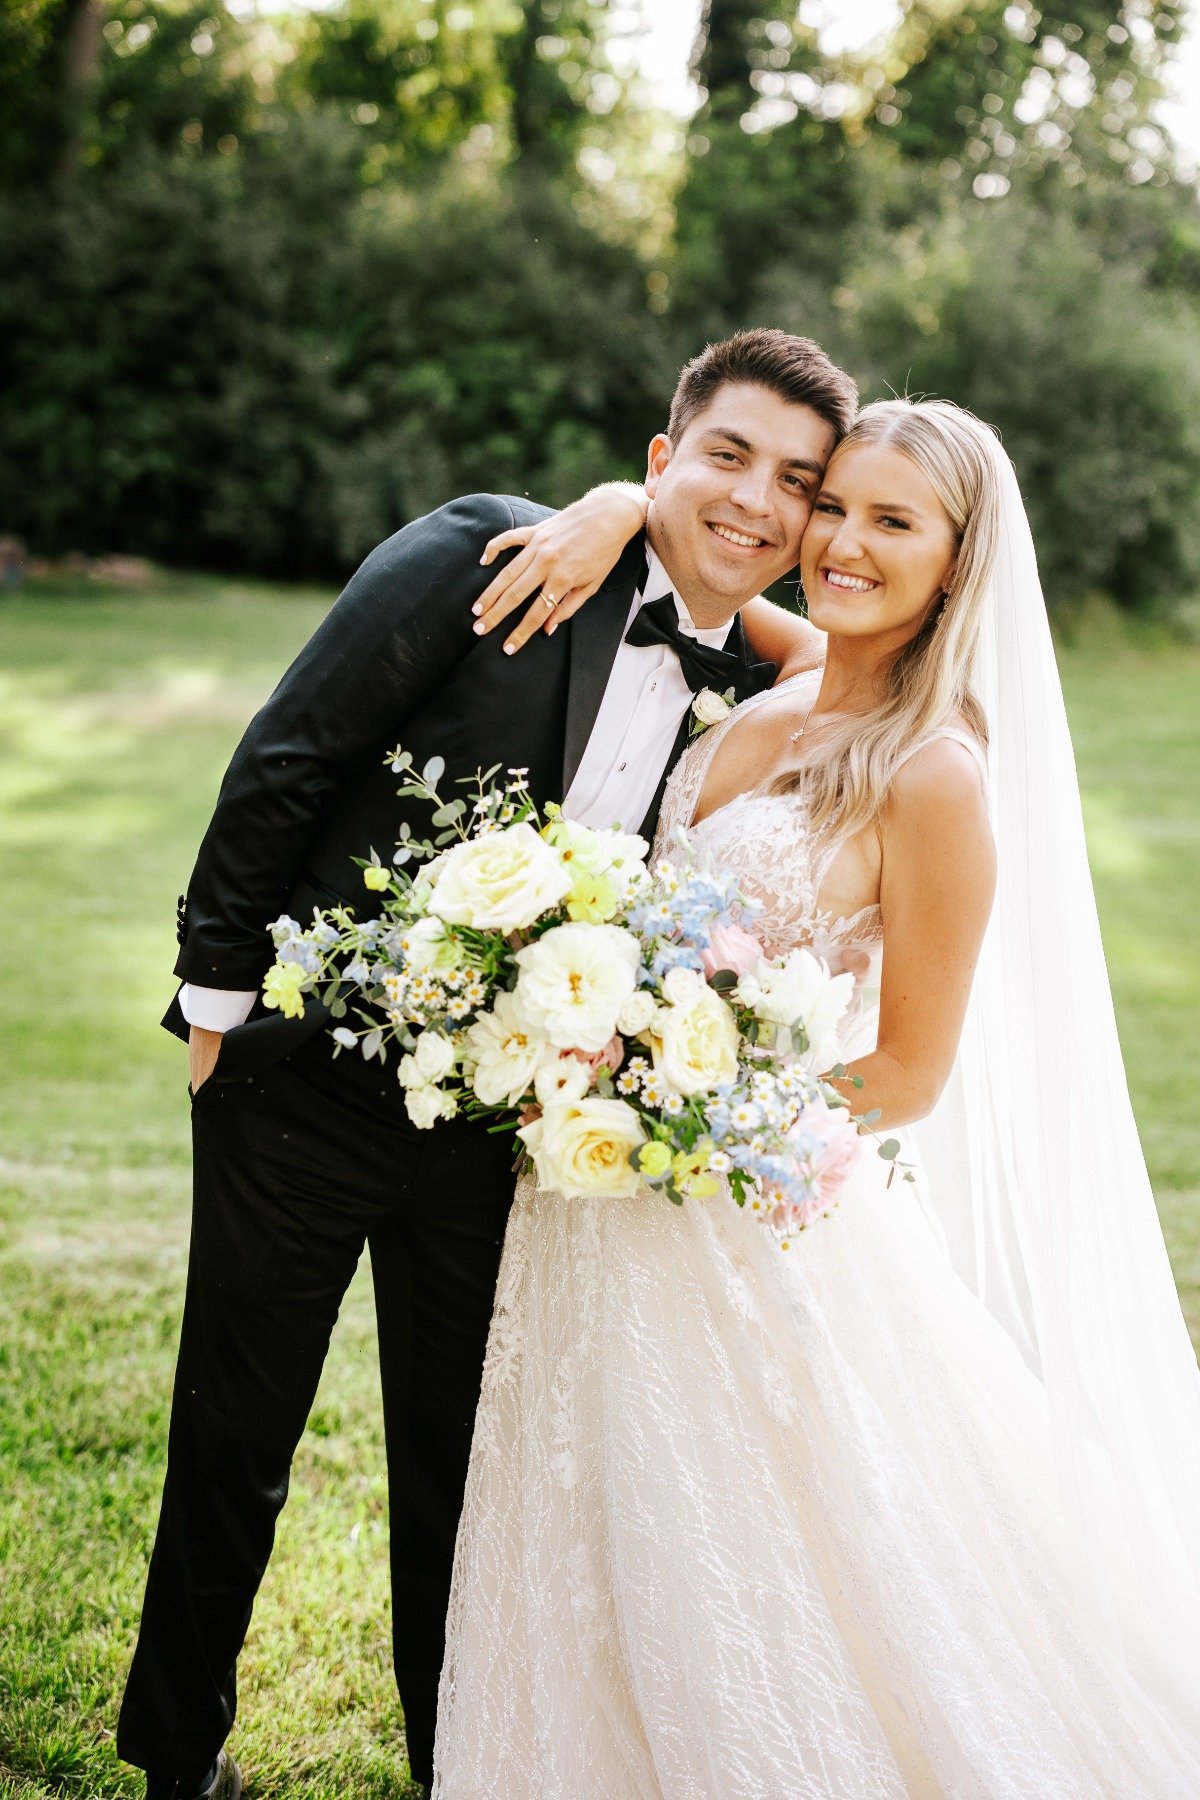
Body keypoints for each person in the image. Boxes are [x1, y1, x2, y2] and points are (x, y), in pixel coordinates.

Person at [115, 328, 859, 1800]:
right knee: (235, 1430)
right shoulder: (491, 558)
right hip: (304, 1086)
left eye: (799, 484)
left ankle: (456, 1756)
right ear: (663, 460)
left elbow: (864, 645)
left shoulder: (760, 688)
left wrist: (624, 515)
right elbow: (290, 754)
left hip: (508, 1139)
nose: (757, 504)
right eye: (725, 458)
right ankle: (175, 1755)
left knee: (467, 1478)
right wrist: (213, 1008)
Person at [432, 398, 1200, 1796]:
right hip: (598, 1189)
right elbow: (691, 564)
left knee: (767, 1547)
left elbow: (908, 1071)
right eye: (833, 504)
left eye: (890, 522)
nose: (838, 540)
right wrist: (619, 499)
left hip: (738, 1209)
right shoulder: (790, 673)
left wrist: (684, 1098)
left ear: (958, 561)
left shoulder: (936, 772)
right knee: (606, 1511)